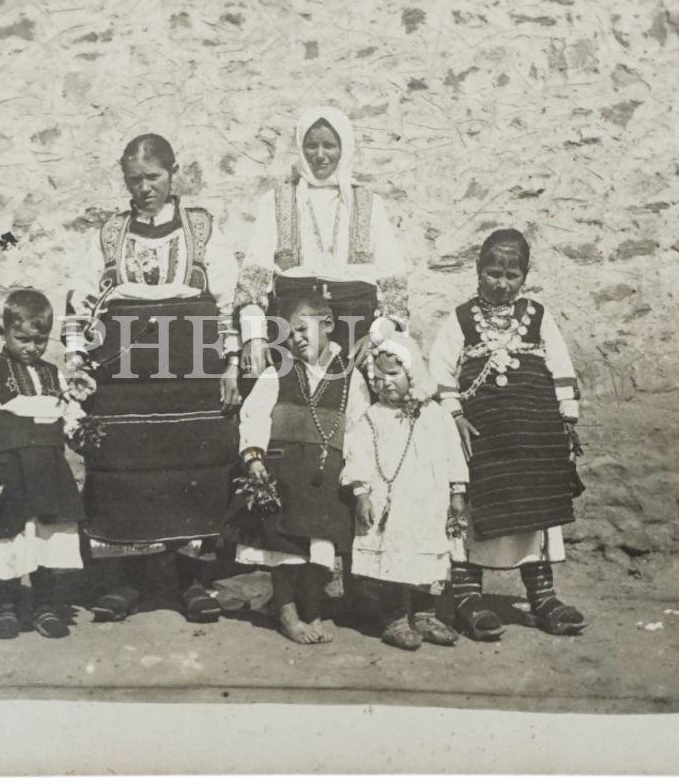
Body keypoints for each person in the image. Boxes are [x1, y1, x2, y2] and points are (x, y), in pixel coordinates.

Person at [63, 133, 242, 623]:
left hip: (192, 371)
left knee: (193, 474)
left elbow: (229, 299)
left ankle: (191, 583)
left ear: (173, 173)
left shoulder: (202, 229)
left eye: (154, 177)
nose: (144, 188)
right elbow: (80, 297)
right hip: (123, 378)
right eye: (134, 179)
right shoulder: (109, 234)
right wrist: (76, 359)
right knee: (125, 475)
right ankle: (128, 584)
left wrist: (232, 363)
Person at [429, 228, 587, 639]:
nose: (502, 283)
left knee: (537, 507)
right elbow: (439, 370)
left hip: (532, 432)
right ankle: (467, 596)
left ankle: (543, 597)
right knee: (476, 507)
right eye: (493, 274)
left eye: (512, 275)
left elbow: (560, 364)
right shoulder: (461, 318)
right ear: (478, 271)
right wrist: (455, 416)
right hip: (482, 435)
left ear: (524, 276)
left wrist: (566, 417)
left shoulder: (538, 315)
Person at [232, 292, 371, 644]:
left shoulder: (349, 377)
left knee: (318, 546)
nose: (295, 338)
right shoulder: (278, 371)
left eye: (302, 329)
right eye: (289, 333)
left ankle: (311, 606)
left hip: (325, 479)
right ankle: (287, 612)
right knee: (283, 546)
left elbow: (359, 430)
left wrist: (358, 482)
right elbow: (255, 414)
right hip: (284, 475)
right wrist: (253, 456)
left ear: (328, 324)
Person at [233, 105, 410, 375]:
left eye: (329, 146)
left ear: (344, 147)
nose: (320, 155)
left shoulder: (369, 202)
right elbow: (253, 280)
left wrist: (377, 334)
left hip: (356, 326)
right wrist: (254, 335)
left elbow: (393, 281)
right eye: (311, 146)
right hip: (292, 324)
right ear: (300, 148)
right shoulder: (277, 200)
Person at [0, 288, 88, 640]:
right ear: (3, 333)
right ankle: (7, 607)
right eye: (23, 339)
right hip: (9, 468)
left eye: (40, 340)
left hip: (48, 468)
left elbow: (68, 412)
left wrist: (80, 428)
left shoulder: (53, 373)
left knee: (46, 536)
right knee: (9, 535)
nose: (32, 347)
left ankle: (44, 606)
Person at [344, 334, 469, 650]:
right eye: (379, 376)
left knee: (428, 558)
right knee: (393, 560)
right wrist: (362, 493)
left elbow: (453, 454)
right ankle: (395, 618)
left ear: (412, 374)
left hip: (429, 503)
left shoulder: (436, 416)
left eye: (393, 374)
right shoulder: (372, 418)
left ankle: (426, 614)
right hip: (392, 505)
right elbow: (359, 456)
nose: (386, 382)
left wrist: (457, 491)